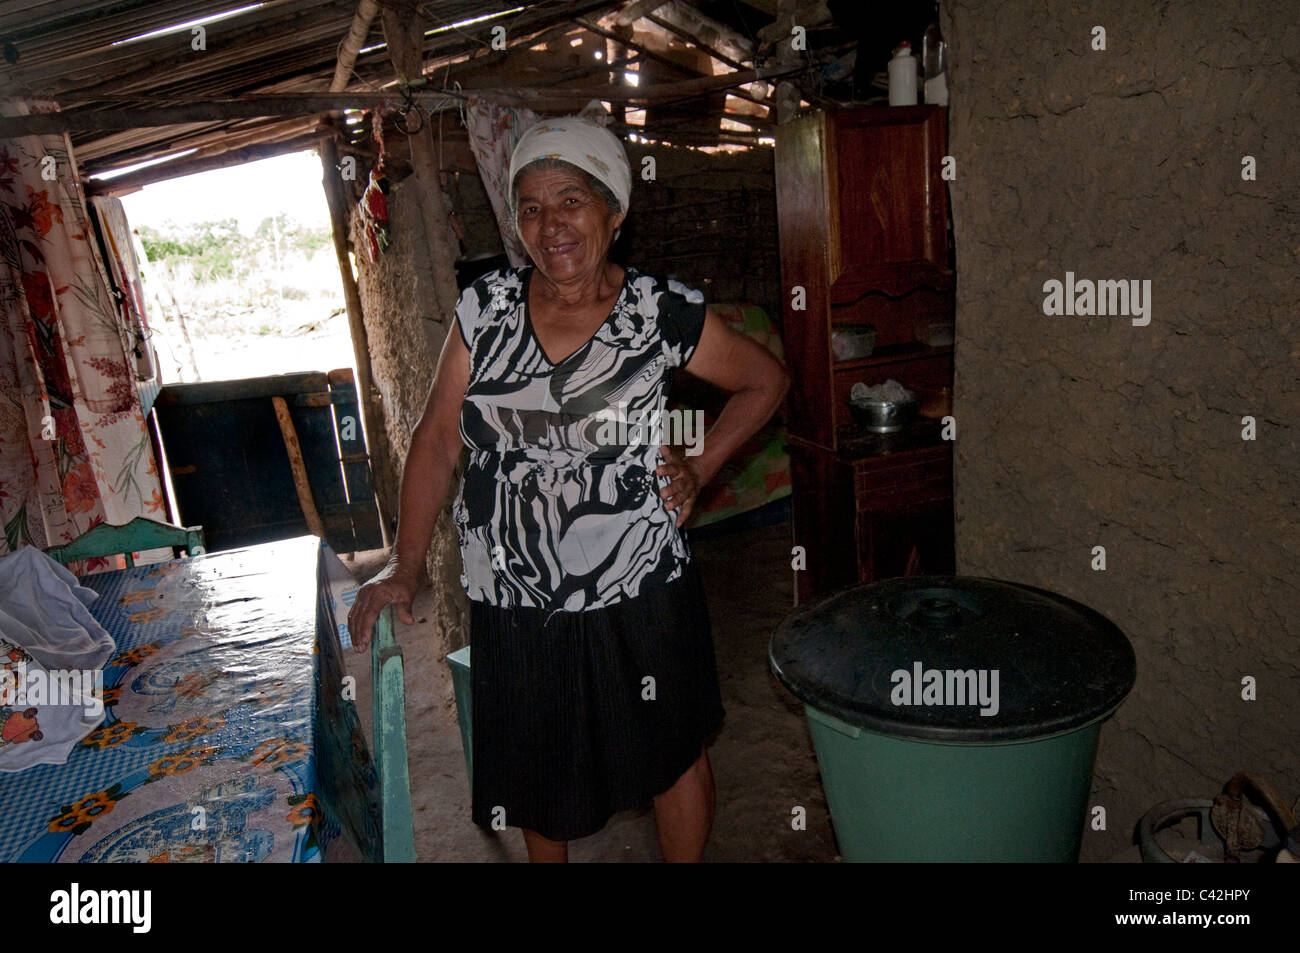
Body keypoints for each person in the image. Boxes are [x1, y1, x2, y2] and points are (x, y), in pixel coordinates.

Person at [347, 115, 790, 862]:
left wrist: (701, 464)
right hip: (515, 592)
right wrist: (405, 564)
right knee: (537, 767)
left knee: (671, 751)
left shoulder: (658, 310)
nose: (550, 225)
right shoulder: (484, 311)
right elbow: (436, 438)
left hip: (639, 579)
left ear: (613, 211)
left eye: (571, 201)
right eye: (530, 207)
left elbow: (764, 379)